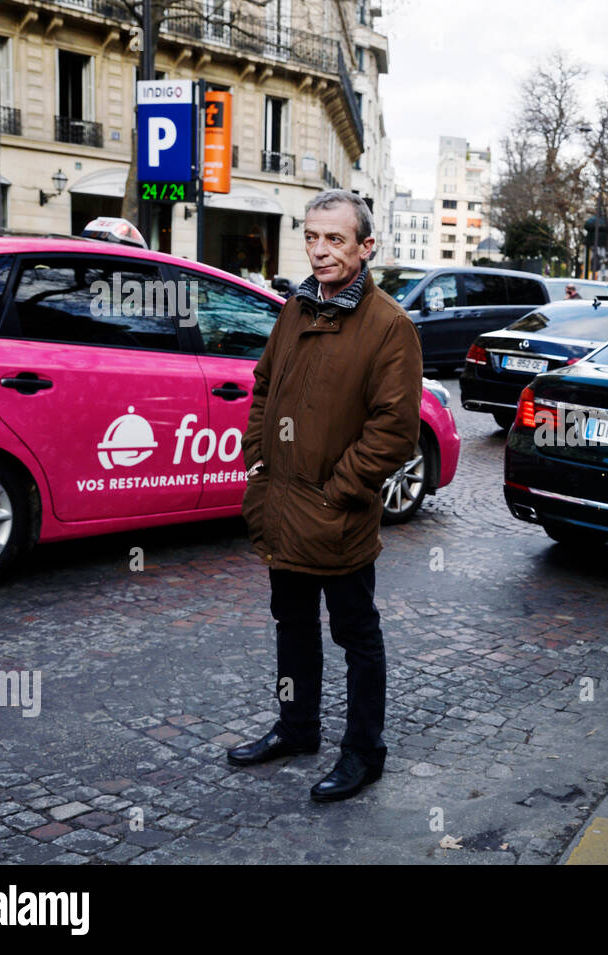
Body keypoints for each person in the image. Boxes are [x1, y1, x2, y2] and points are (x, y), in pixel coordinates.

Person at [231, 189, 423, 803]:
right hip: (282, 508)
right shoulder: (295, 307)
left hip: (336, 518)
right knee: (291, 626)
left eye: (334, 239)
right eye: (312, 237)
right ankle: (296, 727)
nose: (320, 250)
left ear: (365, 247)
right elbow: (264, 386)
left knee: (356, 637)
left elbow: (393, 431)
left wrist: (337, 493)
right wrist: (257, 453)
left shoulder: (389, 325)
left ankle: (364, 753)